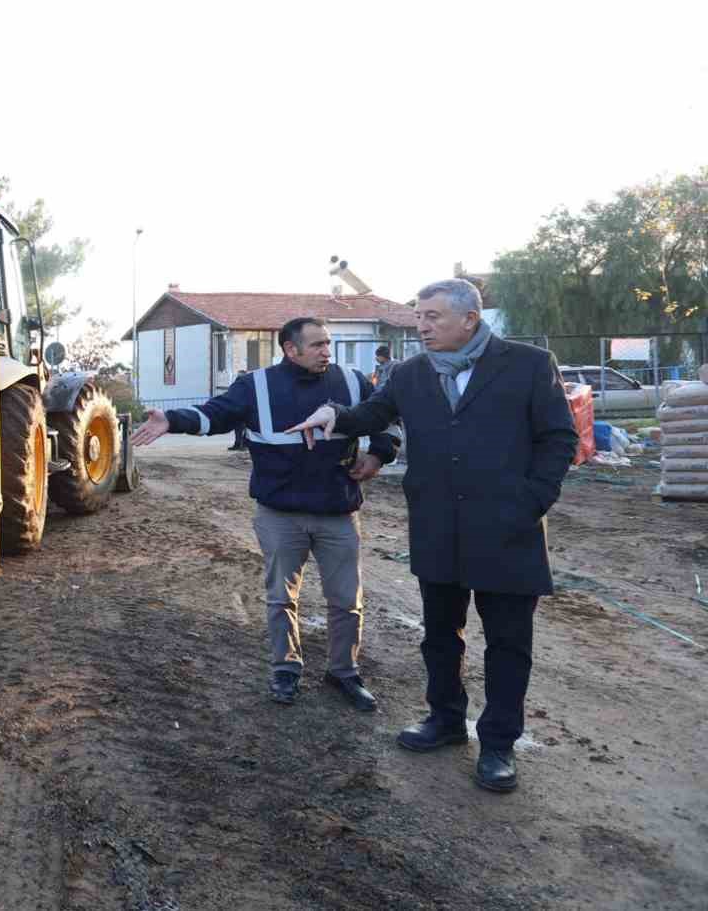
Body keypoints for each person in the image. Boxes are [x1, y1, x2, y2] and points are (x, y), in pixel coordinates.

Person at [288, 280, 575, 794]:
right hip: (439, 526)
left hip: (508, 531)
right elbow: (374, 413)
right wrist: (335, 417)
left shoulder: (529, 364)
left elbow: (558, 438)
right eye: (419, 316)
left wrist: (532, 502)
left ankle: (498, 744)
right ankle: (444, 720)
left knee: (508, 644)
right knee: (440, 636)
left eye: (433, 317)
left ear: (470, 319)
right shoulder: (411, 372)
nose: (421, 326)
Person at [132, 318, 398, 710]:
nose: (327, 351)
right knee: (281, 598)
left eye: (328, 343)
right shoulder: (255, 386)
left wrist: (378, 455)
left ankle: (344, 672)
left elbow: (385, 421)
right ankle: (286, 669)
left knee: (346, 600)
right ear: (291, 350)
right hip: (280, 515)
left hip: (337, 513)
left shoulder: (354, 381)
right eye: (317, 345)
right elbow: (215, 415)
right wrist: (173, 419)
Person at [226, 369, 249, 450]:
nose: (239, 377)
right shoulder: (245, 384)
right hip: (240, 411)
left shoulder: (242, 384)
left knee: (241, 430)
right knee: (241, 430)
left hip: (242, 411)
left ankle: (240, 444)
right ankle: (240, 444)